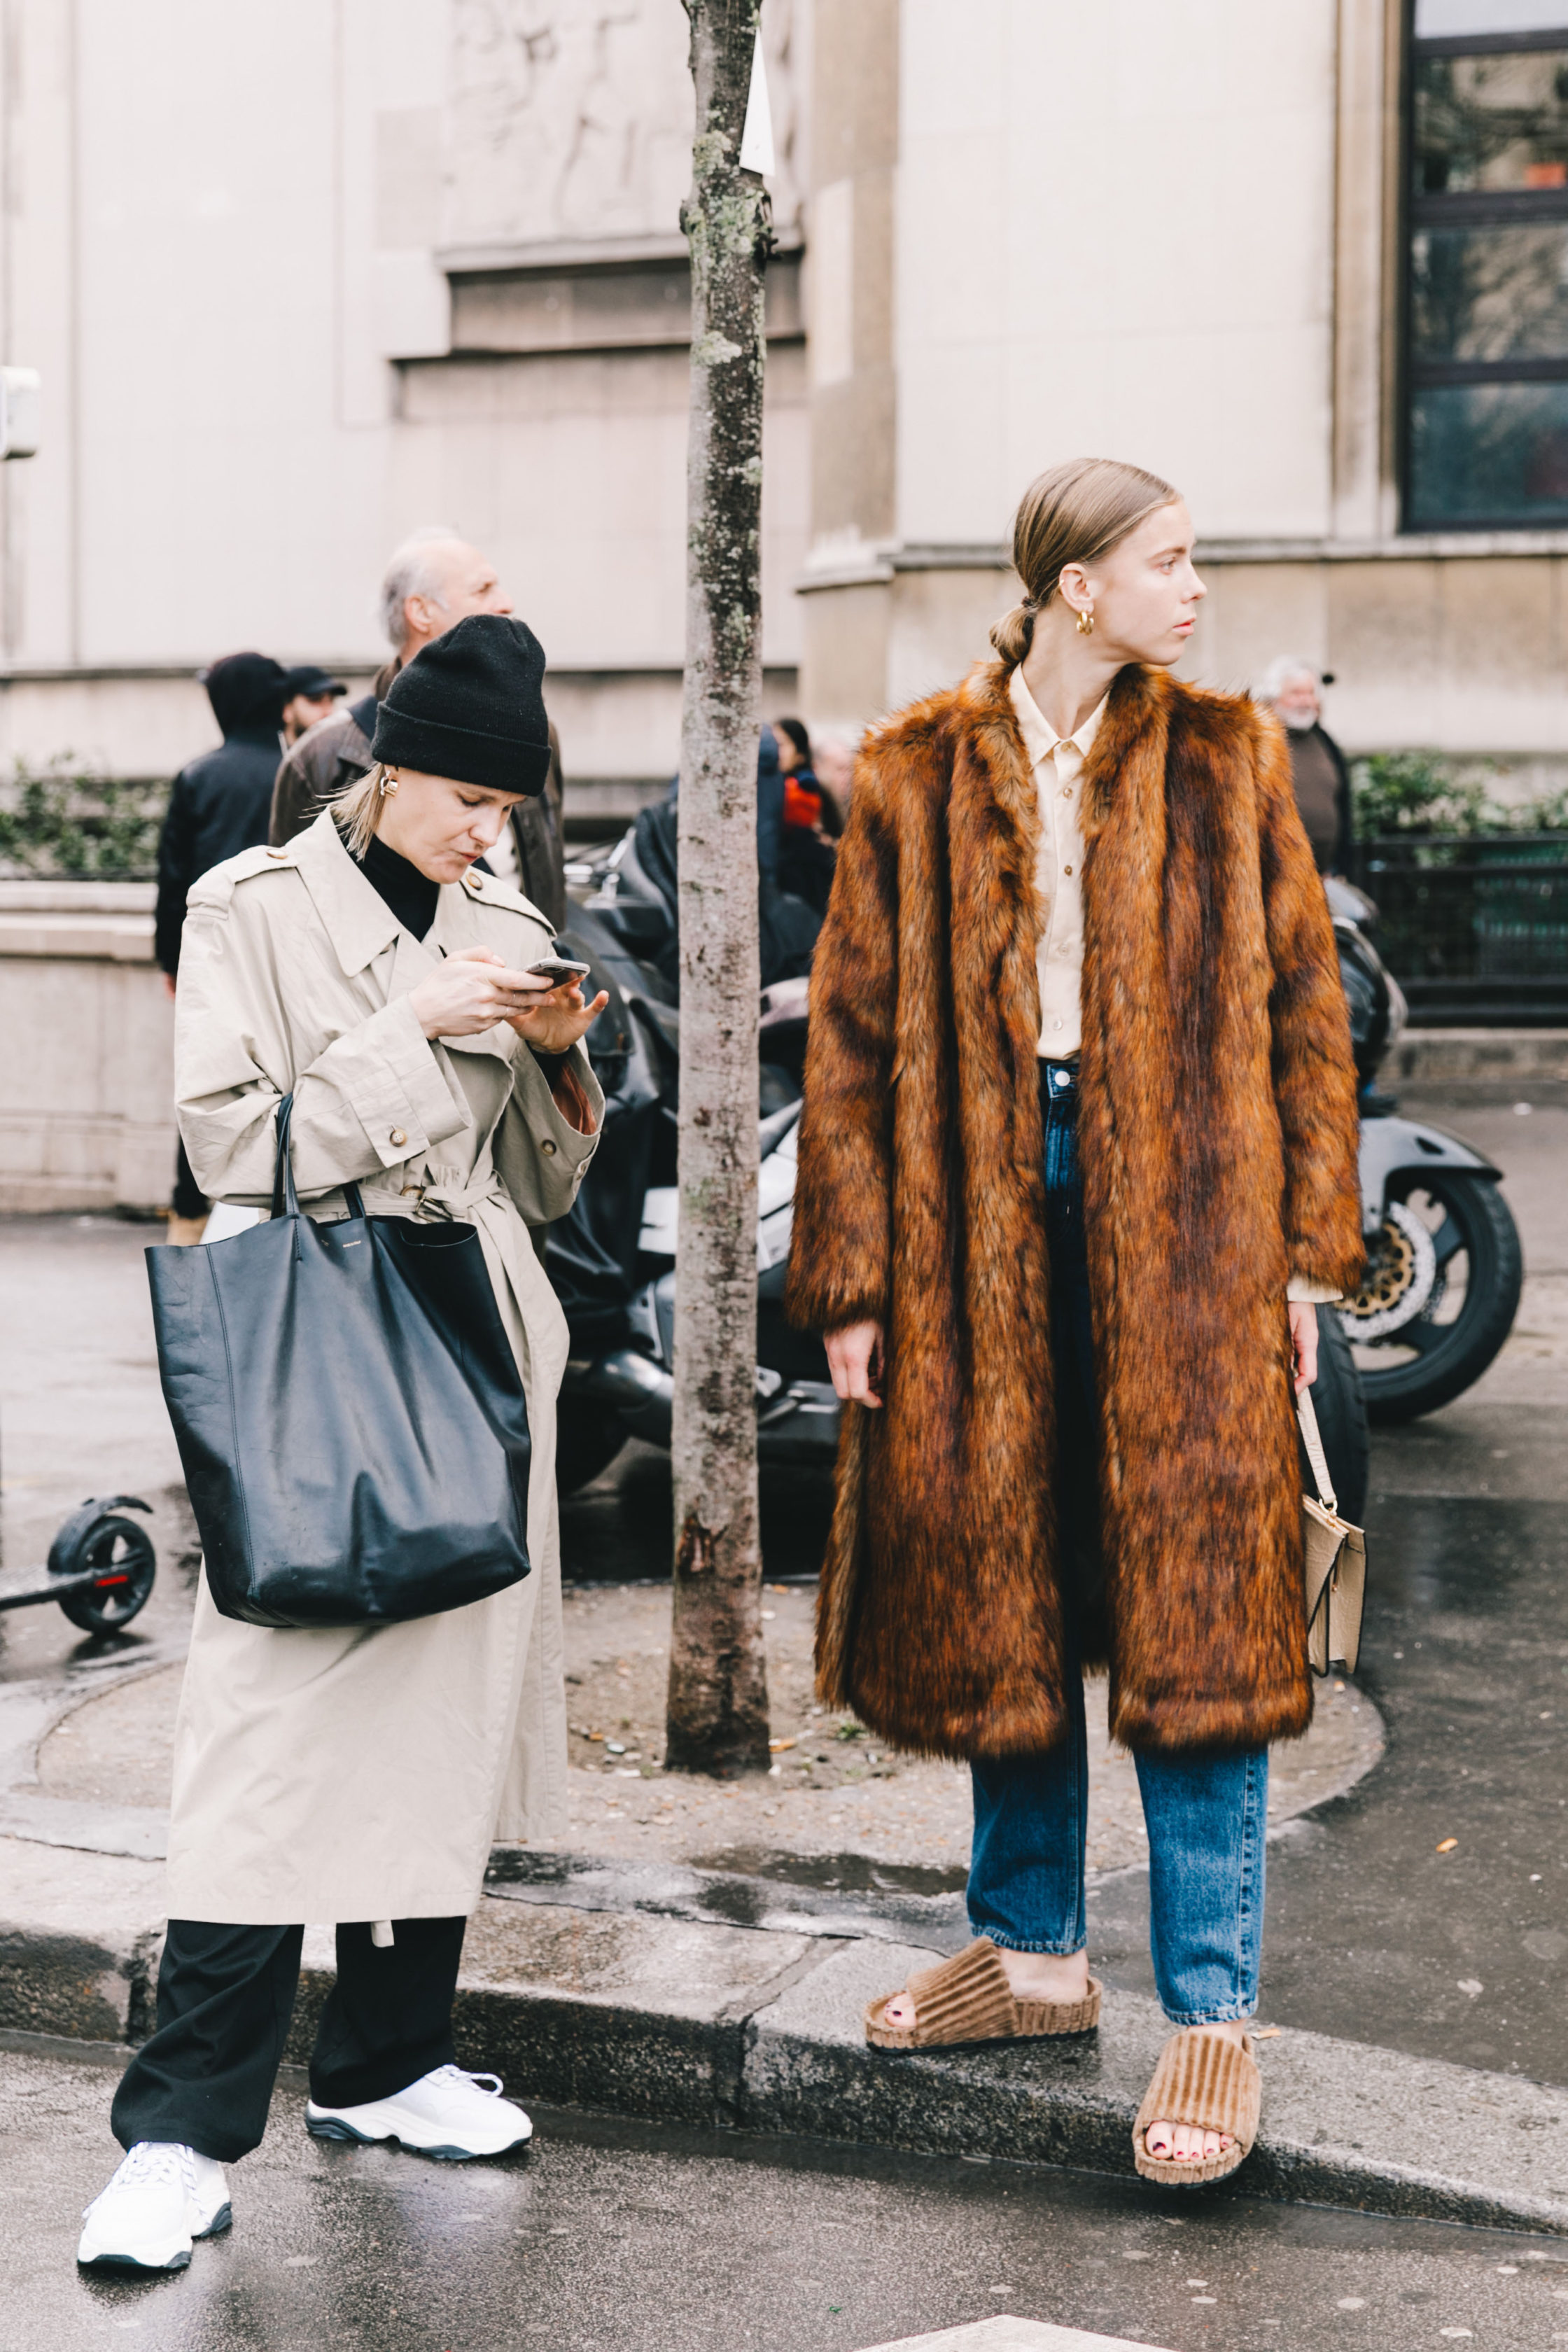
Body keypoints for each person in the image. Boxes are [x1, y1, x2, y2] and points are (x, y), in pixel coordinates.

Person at [785, 458, 1362, 2187]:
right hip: (975, 1204)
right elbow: (857, 1047)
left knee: (1200, 1615)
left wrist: (1296, 1261)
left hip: (1187, 1212)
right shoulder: (911, 771)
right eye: (1168, 563)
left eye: (1196, 561)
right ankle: (1032, 1955)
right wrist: (855, 1280)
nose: (1196, 590)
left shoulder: (1228, 755)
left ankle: (1210, 2015)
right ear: (1073, 584)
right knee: (998, 1584)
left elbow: (1301, 1017)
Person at [78, 614, 608, 2274]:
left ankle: (386, 2060)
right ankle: (175, 2135)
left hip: (480, 1338)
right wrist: (417, 1023)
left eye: (507, 809)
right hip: (323, 1346)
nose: (489, 832)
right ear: (388, 771)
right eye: (466, 799)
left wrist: (555, 1064)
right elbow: (236, 1145)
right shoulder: (253, 906)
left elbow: (540, 1188)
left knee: (444, 1727)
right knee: (269, 1742)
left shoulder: (502, 913)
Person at [270, 528, 568, 930]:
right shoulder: (323, 753)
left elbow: (548, 878)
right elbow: (289, 915)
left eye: (507, 806)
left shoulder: (539, 735)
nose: (507, 603)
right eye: (483, 590)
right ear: (420, 611)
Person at [155, 653, 295, 1243]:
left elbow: (173, 881)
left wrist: (170, 962)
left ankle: (189, 1227)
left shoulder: (199, 777)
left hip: (214, 960)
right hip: (289, 959)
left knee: (209, 1089)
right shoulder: (302, 769)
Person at [1259, 656, 1353, 877]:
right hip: (1275, 876)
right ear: (1273, 698)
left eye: (1311, 693)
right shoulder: (1261, 740)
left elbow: (1343, 805)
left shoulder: (1324, 740)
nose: (1306, 701)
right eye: (1296, 693)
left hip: (1323, 875)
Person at [772, 715, 837, 915]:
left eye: (781, 745)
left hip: (809, 886)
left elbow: (833, 836)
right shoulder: (771, 788)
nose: (775, 752)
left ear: (800, 753)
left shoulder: (813, 790)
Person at [279, 666, 346, 746]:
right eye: (315, 700)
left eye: (331, 700)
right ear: (287, 709)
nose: (328, 712)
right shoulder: (266, 756)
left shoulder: (338, 754)